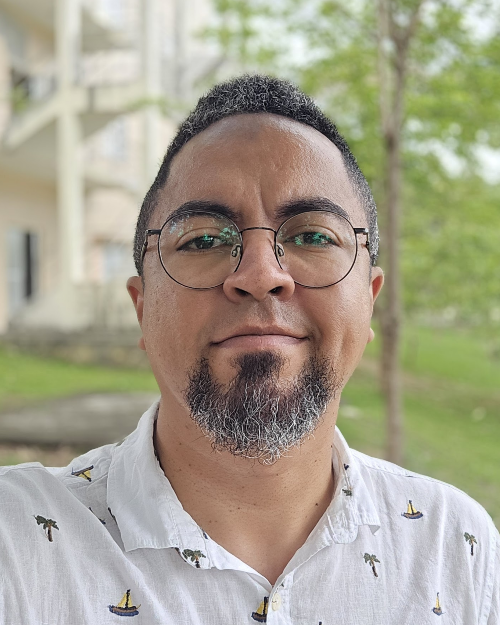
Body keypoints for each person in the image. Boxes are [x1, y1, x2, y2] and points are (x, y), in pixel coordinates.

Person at [0, 75, 498, 625]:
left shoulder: (456, 548)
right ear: (142, 308)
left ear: (370, 299)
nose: (261, 276)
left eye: (313, 236)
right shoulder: (14, 544)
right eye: (203, 240)